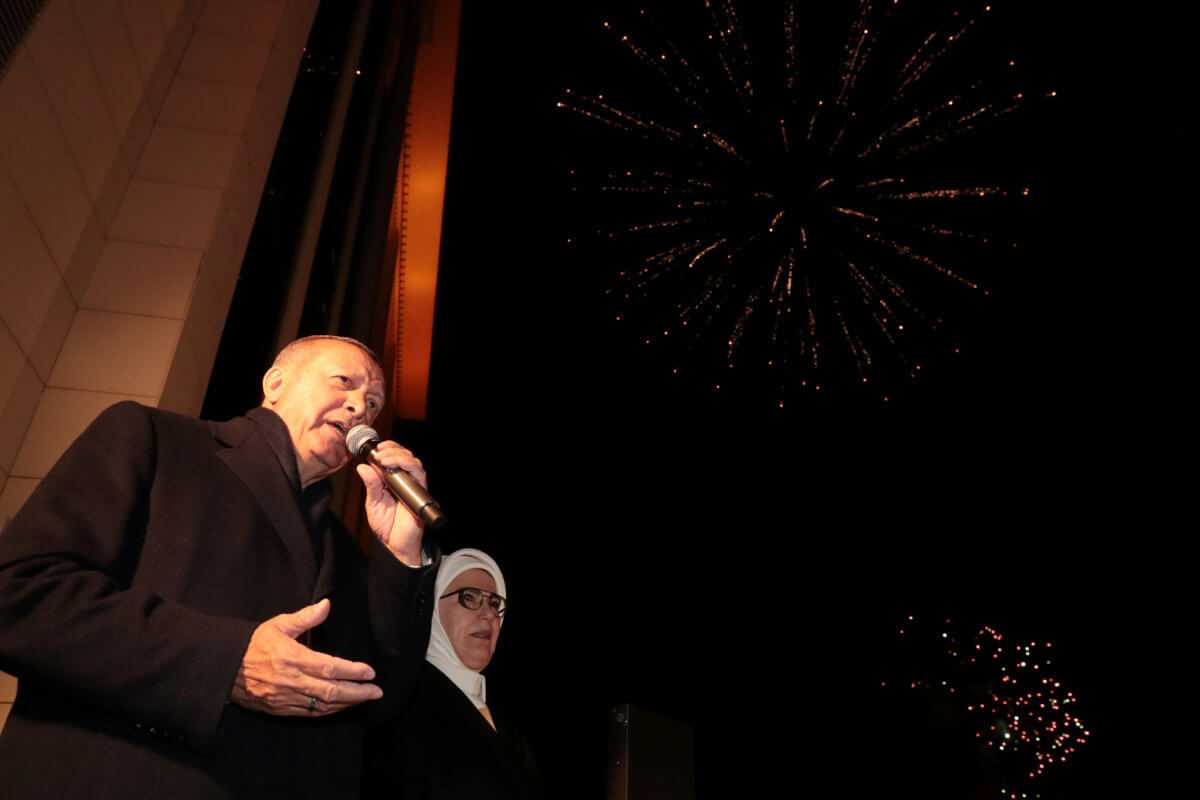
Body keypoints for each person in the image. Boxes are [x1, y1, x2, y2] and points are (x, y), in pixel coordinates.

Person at [0, 335, 438, 798]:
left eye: (373, 404)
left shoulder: (345, 549)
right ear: (275, 383)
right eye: (344, 382)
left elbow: (377, 700)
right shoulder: (156, 439)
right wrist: (227, 663)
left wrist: (401, 554)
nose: (359, 409)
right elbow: (20, 592)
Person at [366, 548, 542, 800]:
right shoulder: (401, 702)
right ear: (433, 609)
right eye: (469, 597)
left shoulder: (505, 720)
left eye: (495, 603)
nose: (490, 614)